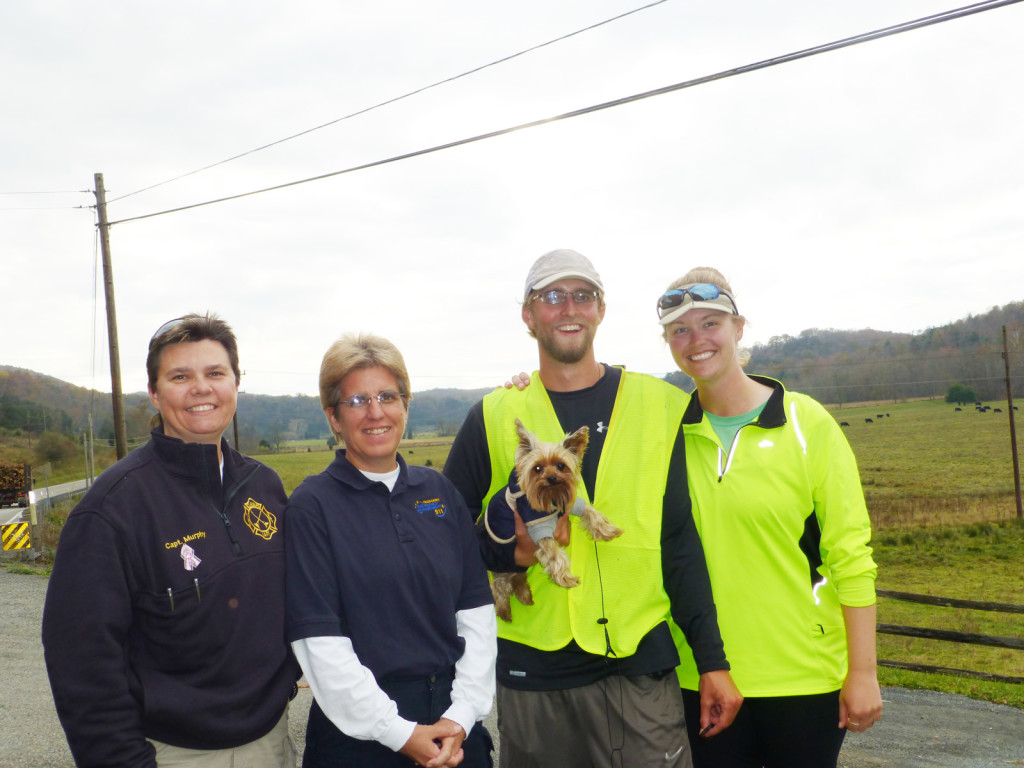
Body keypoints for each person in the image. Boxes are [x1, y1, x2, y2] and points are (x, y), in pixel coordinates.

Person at [443, 249, 742, 768]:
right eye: (552, 297)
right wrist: (504, 555)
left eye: (583, 296)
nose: (569, 309)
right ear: (528, 315)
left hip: (639, 671)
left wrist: (712, 660)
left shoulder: (661, 405)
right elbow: (441, 542)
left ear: (601, 310)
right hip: (532, 678)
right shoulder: (493, 413)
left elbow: (678, 541)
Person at [42, 313, 300, 768]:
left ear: (236, 383)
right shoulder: (112, 510)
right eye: (180, 376)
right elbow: (83, 665)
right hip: (175, 754)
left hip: (272, 740)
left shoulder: (265, 486)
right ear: (156, 394)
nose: (201, 388)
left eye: (215, 373)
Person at [656, 267, 882, 768]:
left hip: (804, 676)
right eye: (680, 330)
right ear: (668, 342)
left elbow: (850, 553)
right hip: (701, 676)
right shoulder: (663, 431)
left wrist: (862, 672)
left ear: (739, 328)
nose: (697, 340)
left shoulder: (807, 422)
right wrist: (523, 387)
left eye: (711, 323)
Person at [285, 333, 497, 768]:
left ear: (405, 405)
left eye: (387, 396)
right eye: (357, 401)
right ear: (333, 418)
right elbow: (319, 643)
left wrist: (460, 716)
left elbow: (475, 613)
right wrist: (398, 733)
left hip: (453, 731)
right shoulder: (312, 506)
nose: (376, 412)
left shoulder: (439, 491)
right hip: (360, 741)